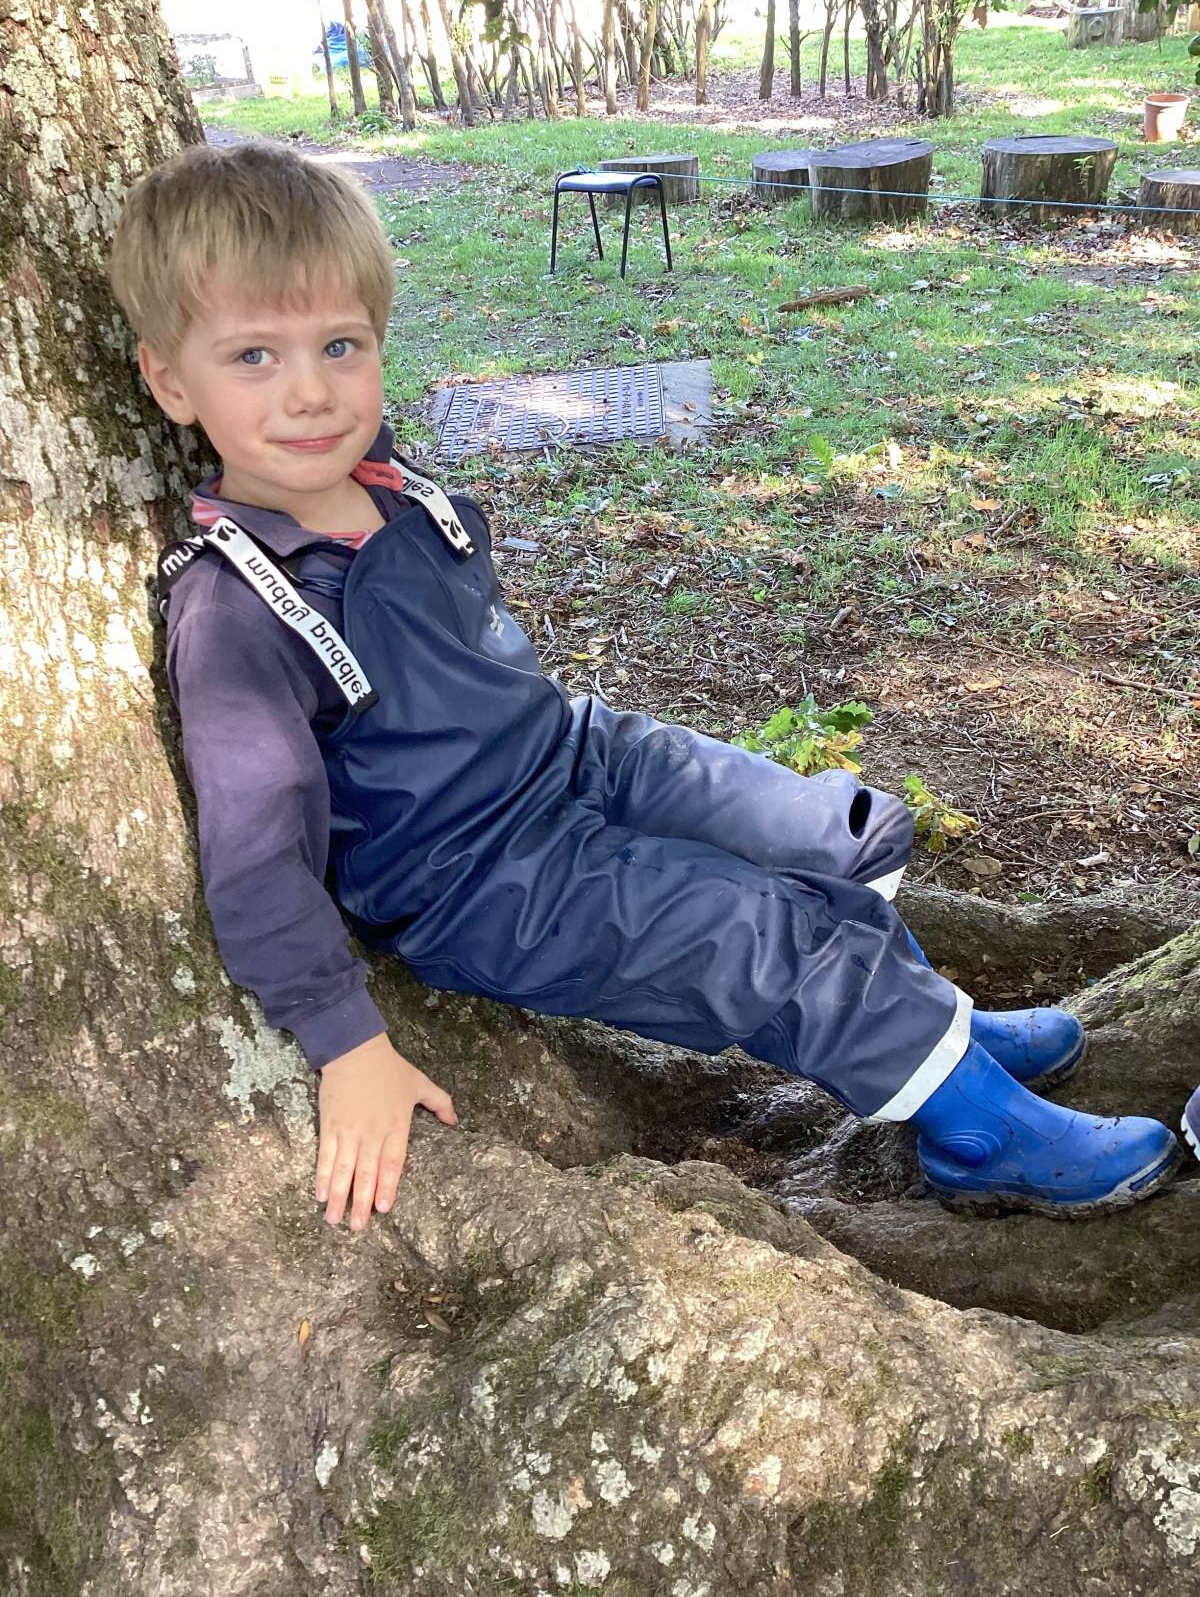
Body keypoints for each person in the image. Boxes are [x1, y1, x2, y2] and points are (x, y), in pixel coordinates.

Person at [109, 141, 1182, 1234]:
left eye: (340, 345)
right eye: (253, 356)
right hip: (479, 875)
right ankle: (975, 1131)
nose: (309, 391)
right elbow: (255, 858)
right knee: (749, 930)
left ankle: (933, 1032)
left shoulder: (389, 484)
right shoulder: (237, 605)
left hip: (568, 754)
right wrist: (345, 1042)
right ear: (169, 380)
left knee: (816, 827)